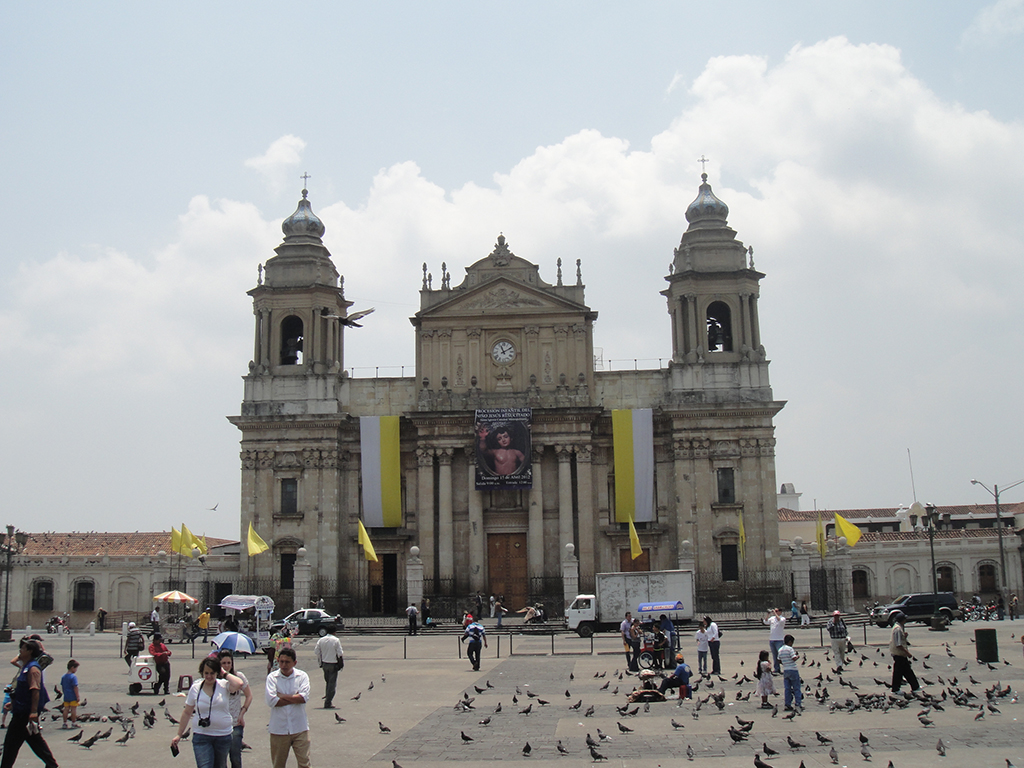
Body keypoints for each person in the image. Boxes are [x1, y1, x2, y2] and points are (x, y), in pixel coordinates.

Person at [172, 657, 244, 768]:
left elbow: (239, 683)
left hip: (223, 735)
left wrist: (223, 672)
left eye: (212, 673)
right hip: (202, 735)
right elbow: (187, 712)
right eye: (206, 673)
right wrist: (179, 734)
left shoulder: (224, 685)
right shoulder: (196, 688)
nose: (209, 676)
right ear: (202, 673)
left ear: (217, 673)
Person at [0, 638, 56, 768]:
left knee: (11, 745)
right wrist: (13, 704)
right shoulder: (26, 667)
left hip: (24, 714)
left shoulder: (33, 669)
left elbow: (35, 690)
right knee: (34, 741)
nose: (20, 650)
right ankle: (52, 765)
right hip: (21, 710)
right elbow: (22, 691)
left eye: (23, 648)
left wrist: (34, 712)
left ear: (30, 651)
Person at [265, 648, 311, 768]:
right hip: (279, 729)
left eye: (287, 662)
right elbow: (271, 701)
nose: (284, 665)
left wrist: (282, 696)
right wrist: (294, 698)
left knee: (304, 763)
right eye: (281, 662)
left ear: (294, 663)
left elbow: (303, 698)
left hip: (299, 727)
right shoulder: (272, 678)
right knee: (278, 764)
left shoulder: (302, 676)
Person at [218, 651, 252, 768]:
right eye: (223, 663)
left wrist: (243, 712)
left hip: (235, 723)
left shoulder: (238, 677)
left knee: (235, 758)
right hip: (219, 725)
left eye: (229, 663)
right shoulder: (215, 679)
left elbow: (249, 695)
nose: (226, 666)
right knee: (220, 760)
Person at [313, 625, 343, 709]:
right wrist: (341, 663)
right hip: (333, 664)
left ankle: (327, 697)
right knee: (332, 684)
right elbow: (340, 653)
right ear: (334, 632)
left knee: (328, 682)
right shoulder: (336, 640)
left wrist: (321, 660)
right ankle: (328, 702)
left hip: (324, 663)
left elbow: (316, 651)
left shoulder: (321, 640)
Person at [888, 612, 919, 693]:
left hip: (899, 654)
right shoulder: (898, 629)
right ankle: (895, 689)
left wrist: (904, 637)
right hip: (899, 654)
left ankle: (915, 686)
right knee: (898, 673)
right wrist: (907, 653)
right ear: (902, 620)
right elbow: (898, 644)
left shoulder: (897, 627)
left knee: (907, 671)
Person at [778, 634, 802, 712]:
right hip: (793, 670)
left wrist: (785, 662)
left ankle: (787, 704)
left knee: (787, 688)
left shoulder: (780, 649)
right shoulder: (790, 649)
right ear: (790, 642)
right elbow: (793, 658)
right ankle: (798, 704)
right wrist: (798, 656)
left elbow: (779, 660)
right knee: (796, 688)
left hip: (785, 670)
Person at [764, 607, 786, 674]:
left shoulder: (782, 618)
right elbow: (765, 622)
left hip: (779, 639)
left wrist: (775, 614)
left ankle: (785, 668)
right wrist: (768, 614)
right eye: (775, 611)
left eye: (777, 611)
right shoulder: (772, 618)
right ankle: (777, 669)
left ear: (780, 612)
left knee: (780, 655)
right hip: (772, 639)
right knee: (774, 655)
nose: (775, 612)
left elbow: (780, 620)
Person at [60, 659, 80, 729]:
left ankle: (64, 723)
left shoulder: (63, 677)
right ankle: (73, 723)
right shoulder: (73, 677)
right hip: (72, 696)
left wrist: (64, 693)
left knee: (66, 709)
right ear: (72, 667)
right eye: (76, 668)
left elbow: (62, 686)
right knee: (73, 709)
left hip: (66, 696)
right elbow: (75, 687)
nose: (76, 670)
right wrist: (77, 696)